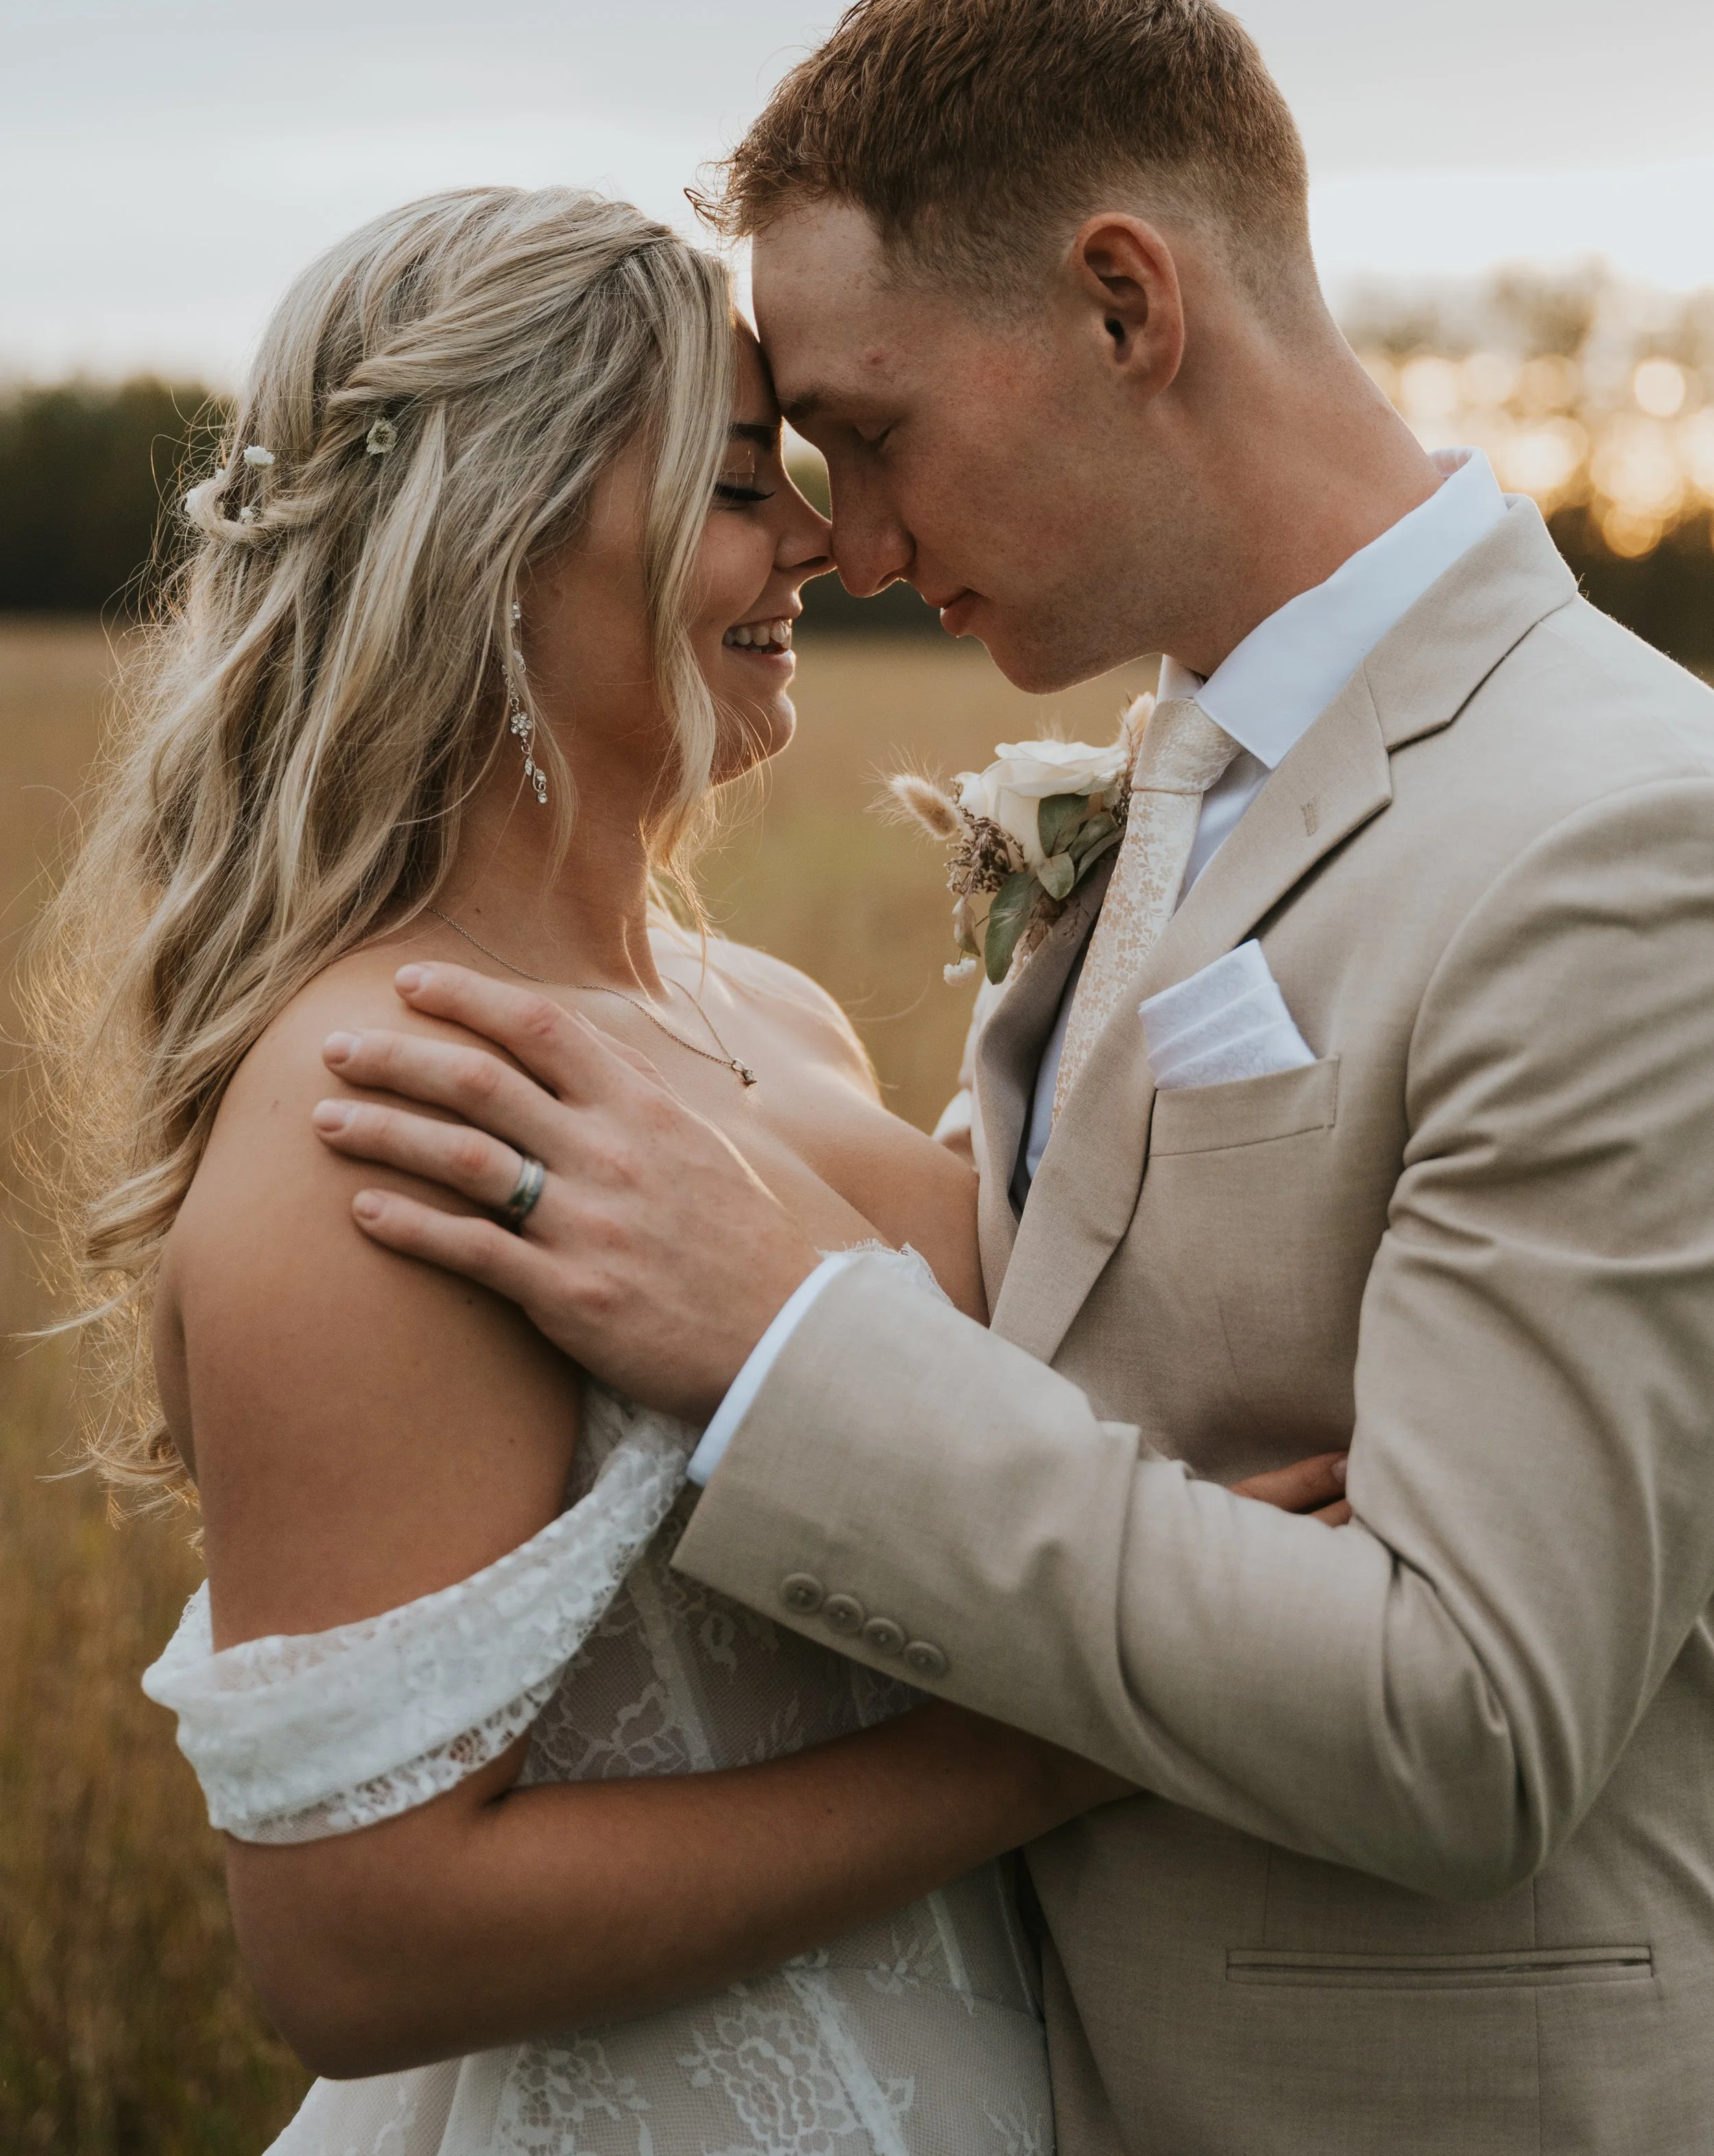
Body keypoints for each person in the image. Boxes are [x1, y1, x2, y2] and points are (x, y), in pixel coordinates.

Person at [324, 0, 1714, 2154]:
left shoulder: (1623, 835)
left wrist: (788, 1347)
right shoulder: (1174, 761)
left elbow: (1467, 1725)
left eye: (869, 434)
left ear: (1120, 304)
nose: (848, 542)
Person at [36, 181, 1340, 2156]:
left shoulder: (773, 1008)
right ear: (493, 540)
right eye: (744, 481)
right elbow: (356, 1943)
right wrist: (1062, 1737)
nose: (818, 536)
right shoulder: (387, 1109)